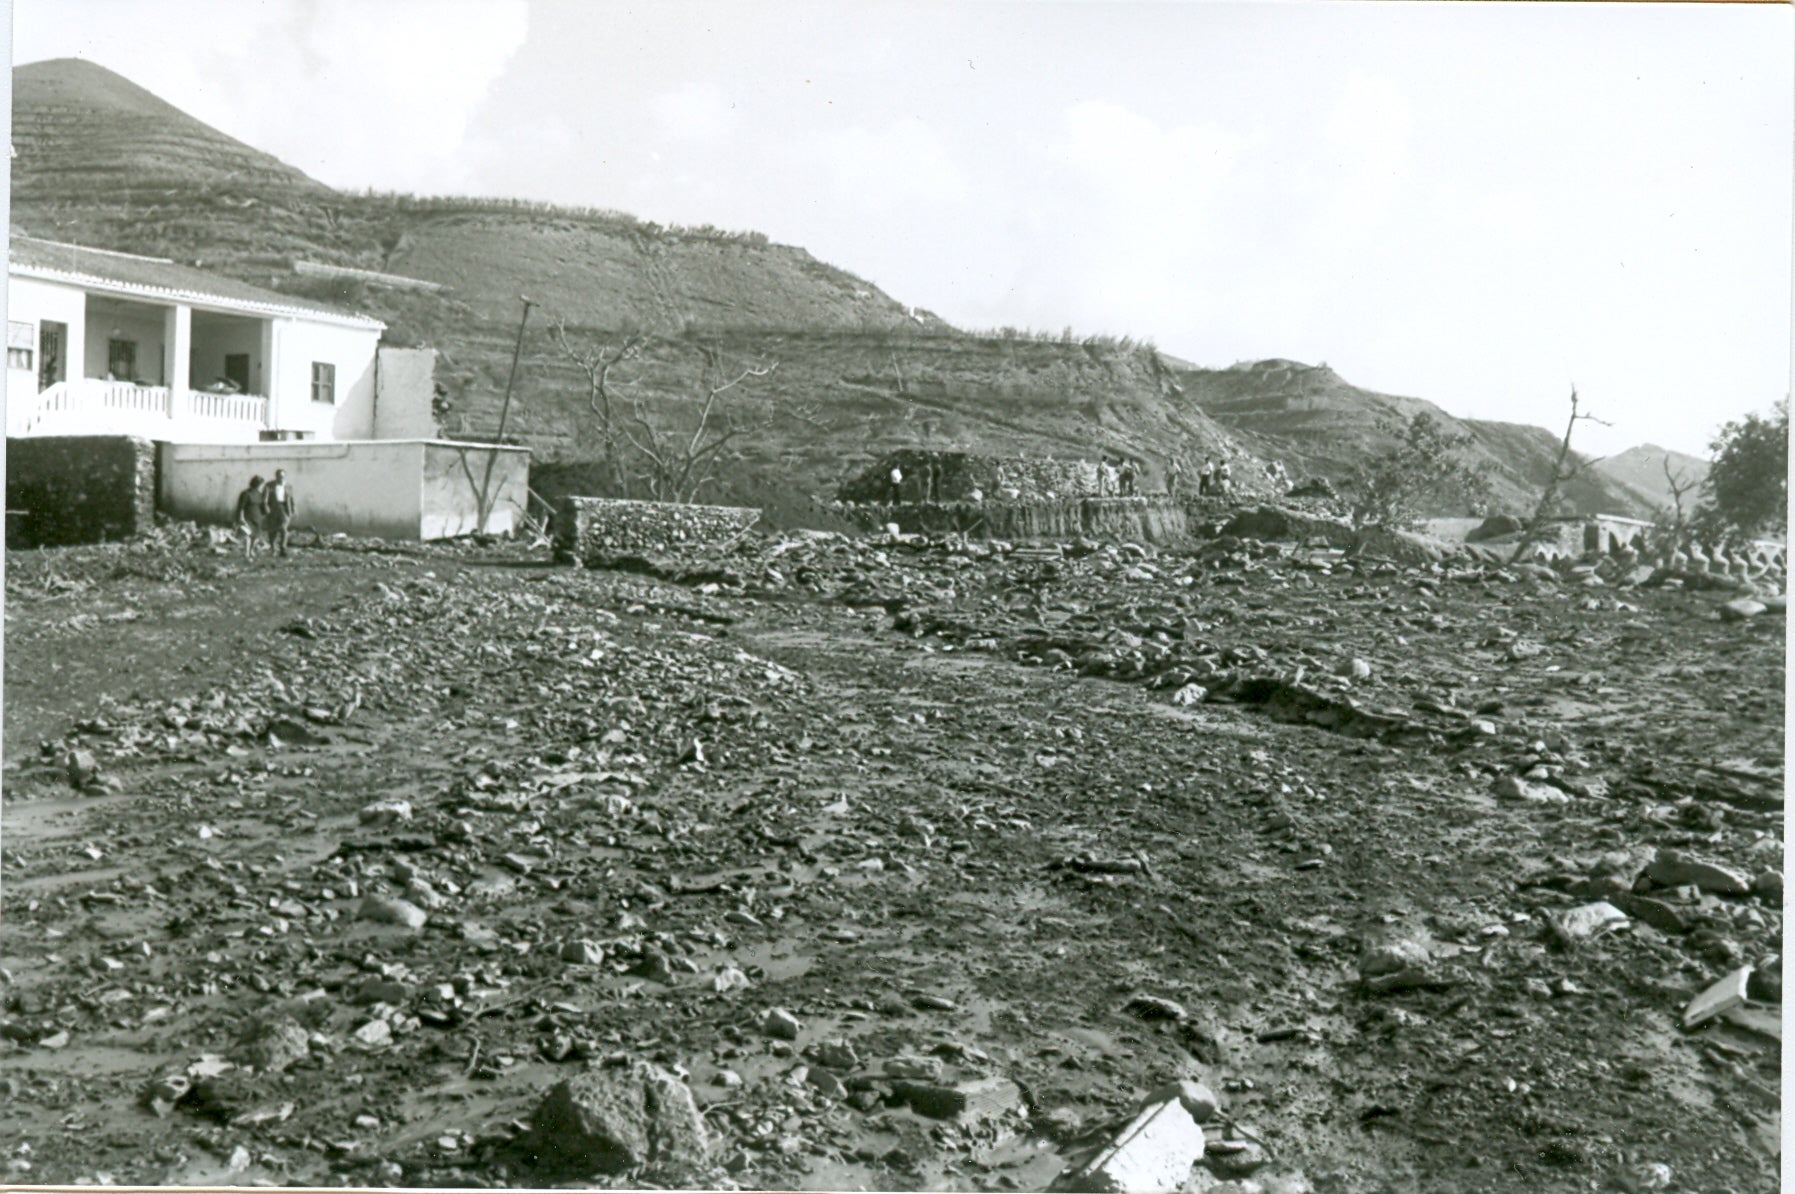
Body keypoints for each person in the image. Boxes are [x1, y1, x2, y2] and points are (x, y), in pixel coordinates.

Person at [235, 474, 267, 559]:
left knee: (255, 536)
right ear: (256, 484)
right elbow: (241, 507)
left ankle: (251, 550)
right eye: (260, 484)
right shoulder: (245, 494)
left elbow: (262, 505)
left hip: (257, 517)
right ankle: (246, 553)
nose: (261, 486)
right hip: (247, 517)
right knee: (247, 536)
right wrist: (241, 517)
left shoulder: (259, 494)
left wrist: (264, 514)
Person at [265, 468, 296, 557]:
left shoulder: (288, 486)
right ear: (276, 477)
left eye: (282, 476)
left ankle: (283, 548)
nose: (280, 478)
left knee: (284, 529)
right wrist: (266, 509)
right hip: (273, 509)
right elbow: (265, 498)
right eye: (279, 476)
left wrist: (293, 509)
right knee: (272, 530)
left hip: (284, 509)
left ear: (285, 476)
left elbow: (291, 498)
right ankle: (273, 549)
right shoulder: (269, 485)